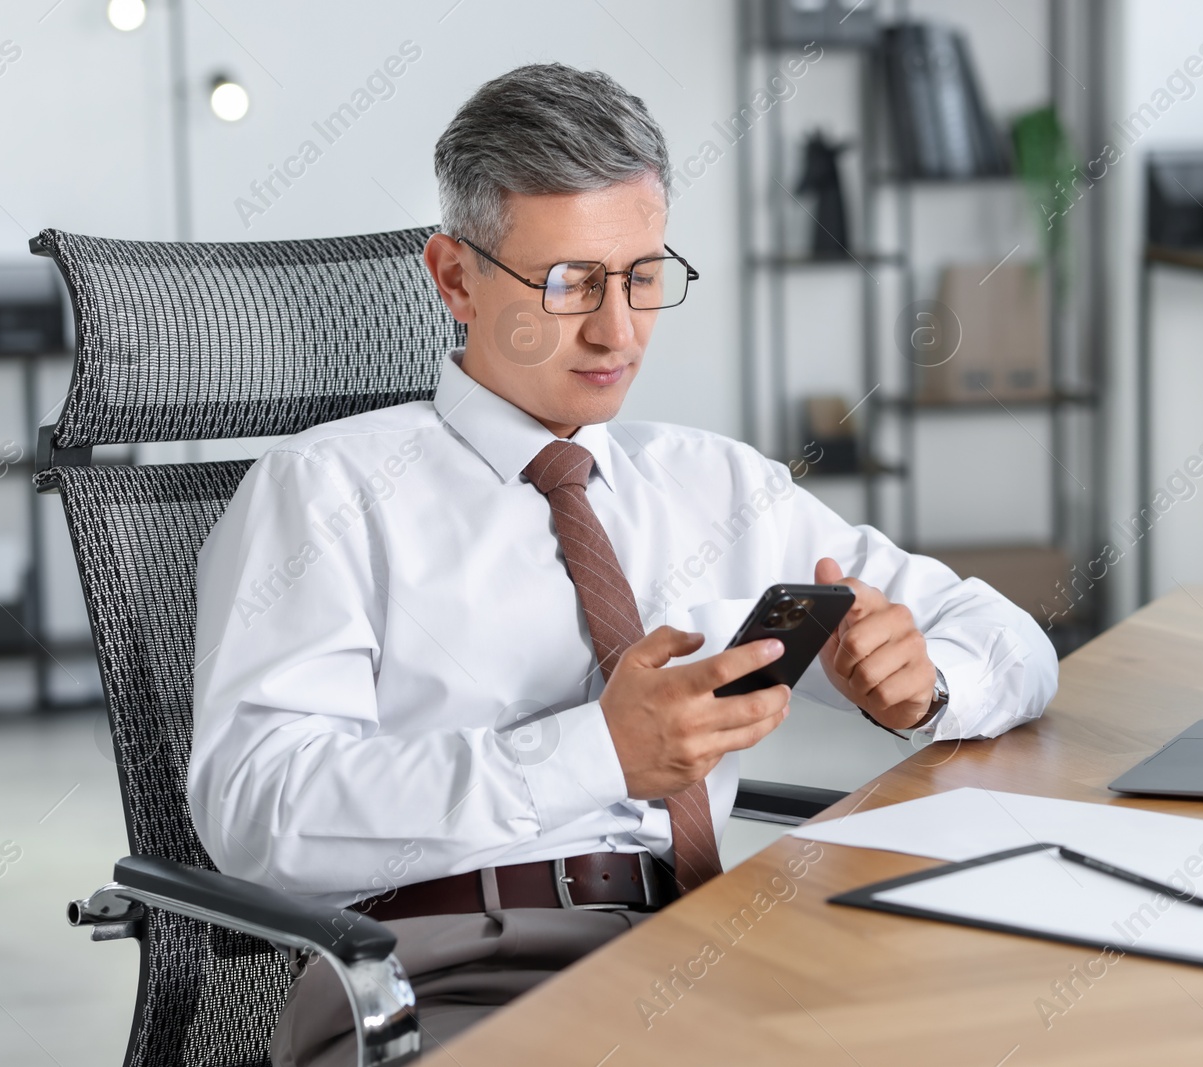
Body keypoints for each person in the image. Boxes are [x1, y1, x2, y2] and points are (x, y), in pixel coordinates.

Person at [188, 62, 1058, 1067]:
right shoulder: (325, 490)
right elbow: (257, 810)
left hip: (716, 948)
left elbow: (1016, 642)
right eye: (570, 283)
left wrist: (926, 682)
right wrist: (594, 752)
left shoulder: (719, 484)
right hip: (454, 968)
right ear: (453, 277)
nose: (618, 329)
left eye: (643, 276)